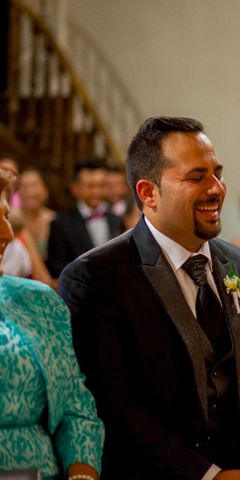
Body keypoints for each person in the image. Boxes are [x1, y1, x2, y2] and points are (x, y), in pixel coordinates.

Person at [59, 117, 240, 480]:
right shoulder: (97, 277)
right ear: (148, 192)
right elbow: (116, 406)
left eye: (218, 173)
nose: (217, 188)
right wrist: (213, 476)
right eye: (196, 177)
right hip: (167, 471)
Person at [0, 166, 104, 479]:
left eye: (6, 216)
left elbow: (75, 404)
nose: (6, 233)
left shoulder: (40, 302)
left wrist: (82, 471)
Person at [47, 159, 122, 278]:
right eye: (90, 186)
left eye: (101, 186)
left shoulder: (117, 220)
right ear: (75, 189)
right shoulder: (61, 224)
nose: (96, 192)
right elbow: (58, 268)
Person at [17, 167, 56, 260]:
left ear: (45, 190)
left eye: (34, 185)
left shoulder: (55, 220)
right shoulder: (10, 220)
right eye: (24, 186)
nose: (29, 191)